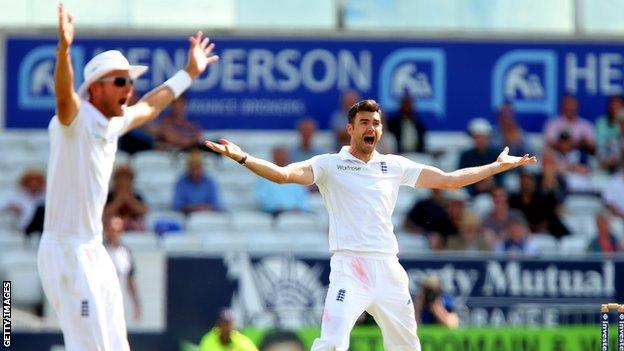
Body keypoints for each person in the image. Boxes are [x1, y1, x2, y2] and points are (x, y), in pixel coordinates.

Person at [205, 99, 536, 350]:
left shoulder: (393, 166)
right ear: (351, 129)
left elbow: (448, 181)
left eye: (376, 123)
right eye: (364, 123)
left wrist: (495, 167)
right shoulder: (330, 164)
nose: (371, 128)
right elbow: (283, 175)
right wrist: (242, 157)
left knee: (408, 346)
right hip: (350, 268)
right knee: (332, 345)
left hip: (389, 270)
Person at [37, 4, 219, 350]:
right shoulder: (73, 120)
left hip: (93, 248)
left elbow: (152, 105)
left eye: (130, 81)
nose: (129, 88)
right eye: (120, 81)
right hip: (65, 250)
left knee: (118, 345)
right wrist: (63, 52)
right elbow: (64, 96)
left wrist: (189, 73)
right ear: (95, 88)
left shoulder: (112, 121)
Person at [103, 215, 141, 321]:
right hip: (99, 300)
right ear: (105, 229)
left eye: (117, 229)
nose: (114, 232)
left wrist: (136, 303)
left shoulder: (125, 252)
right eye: (111, 228)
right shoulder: (99, 251)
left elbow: (130, 279)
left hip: (117, 300)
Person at [255, 147, 310, 216]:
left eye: (283, 157)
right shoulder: (264, 177)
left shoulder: (297, 176)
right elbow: (263, 198)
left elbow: (302, 198)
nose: (281, 159)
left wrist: (297, 208)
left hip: (296, 213)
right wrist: (277, 208)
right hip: (274, 214)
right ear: (274, 158)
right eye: (278, 158)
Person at [458, 117, 502, 195]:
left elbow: (501, 177)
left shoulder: (496, 154)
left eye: (483, 137)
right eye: (477, 137)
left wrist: (493, 184)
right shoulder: (466, 156)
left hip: (494, 194)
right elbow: (459, 178)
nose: (480, 140)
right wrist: (476, 187)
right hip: (471, 195)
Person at [1, 168, 46, 236]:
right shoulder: (19, 196)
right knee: (40, 209)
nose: (34, 183)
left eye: (37, 181)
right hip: (27, 225)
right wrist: (11, 206)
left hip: (41, 226)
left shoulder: (44, 196)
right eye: (31, 181)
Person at [104, 165, 148, 231]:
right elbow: (105, 213)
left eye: (127, 179)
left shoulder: (137, 196)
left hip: (133, 227)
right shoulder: (109, 195)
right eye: (121, 178)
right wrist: (119, 199)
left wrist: (129, 199)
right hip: (114, 228)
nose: (124, 182)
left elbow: (143, 211)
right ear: (115, 180)